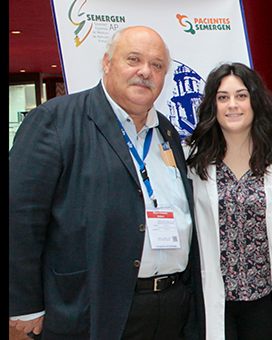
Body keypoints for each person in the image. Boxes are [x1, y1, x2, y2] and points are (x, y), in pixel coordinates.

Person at [9, 26, 200, 339]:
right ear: (107, 63)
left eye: (157, 65)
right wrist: (24, 304)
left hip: (171, 307)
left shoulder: (166, 132)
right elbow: (19, 217)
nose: (145, 72)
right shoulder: (56, 121)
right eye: (133, 59)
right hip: (92, 308)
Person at [185, 62, 272, 339]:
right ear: (213, 105)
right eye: (223, 97)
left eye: (241, 95)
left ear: (255, 101)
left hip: (265, 297)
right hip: (214, 298)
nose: (232, 104)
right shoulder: (195, 158)